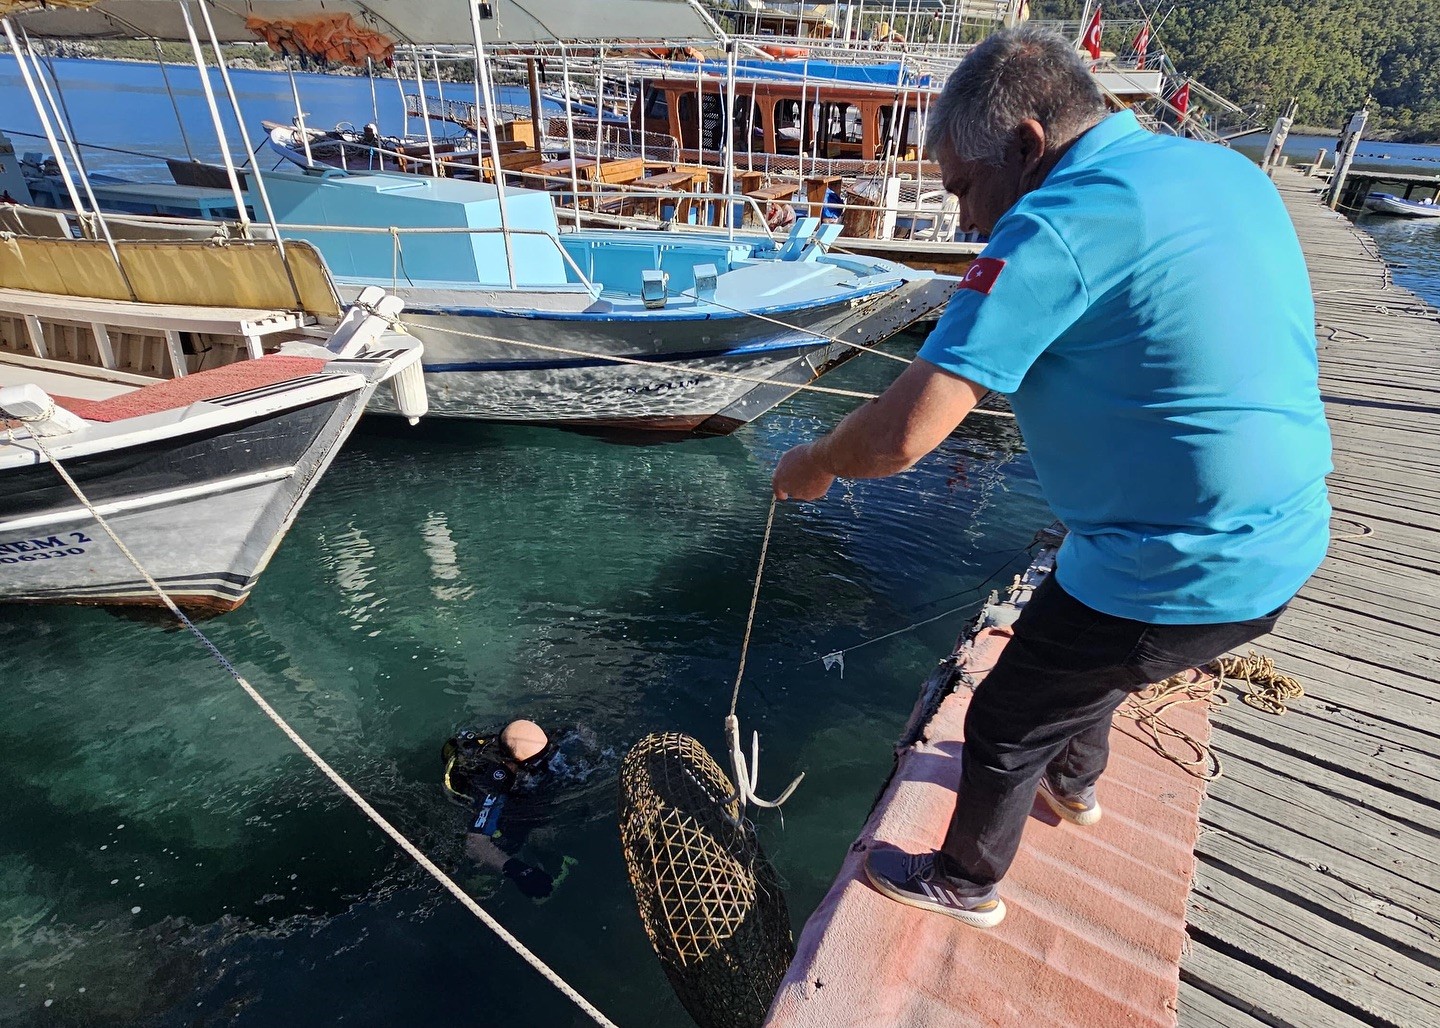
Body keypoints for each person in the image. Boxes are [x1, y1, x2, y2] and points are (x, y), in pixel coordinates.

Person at [771, 26, 1331, 930]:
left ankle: (965, 882)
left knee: (1005, 720)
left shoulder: (1054, 224)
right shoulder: (1226, 173)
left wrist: (815, 462)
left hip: (1180, 566)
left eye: (962, 187)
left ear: (1029, 146)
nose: (962, 221)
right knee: (1080, 654)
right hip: (1287, 536)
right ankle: (1075, 788)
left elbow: (904, 434)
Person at [442, 719, 561, 899]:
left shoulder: (530, 743)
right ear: (509, 763)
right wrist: (519, 871)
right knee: (512, 838)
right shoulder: (492, 787)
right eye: (537, 765)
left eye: (548, 755)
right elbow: (475, 844)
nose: (546, 765)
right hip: (482, 800)